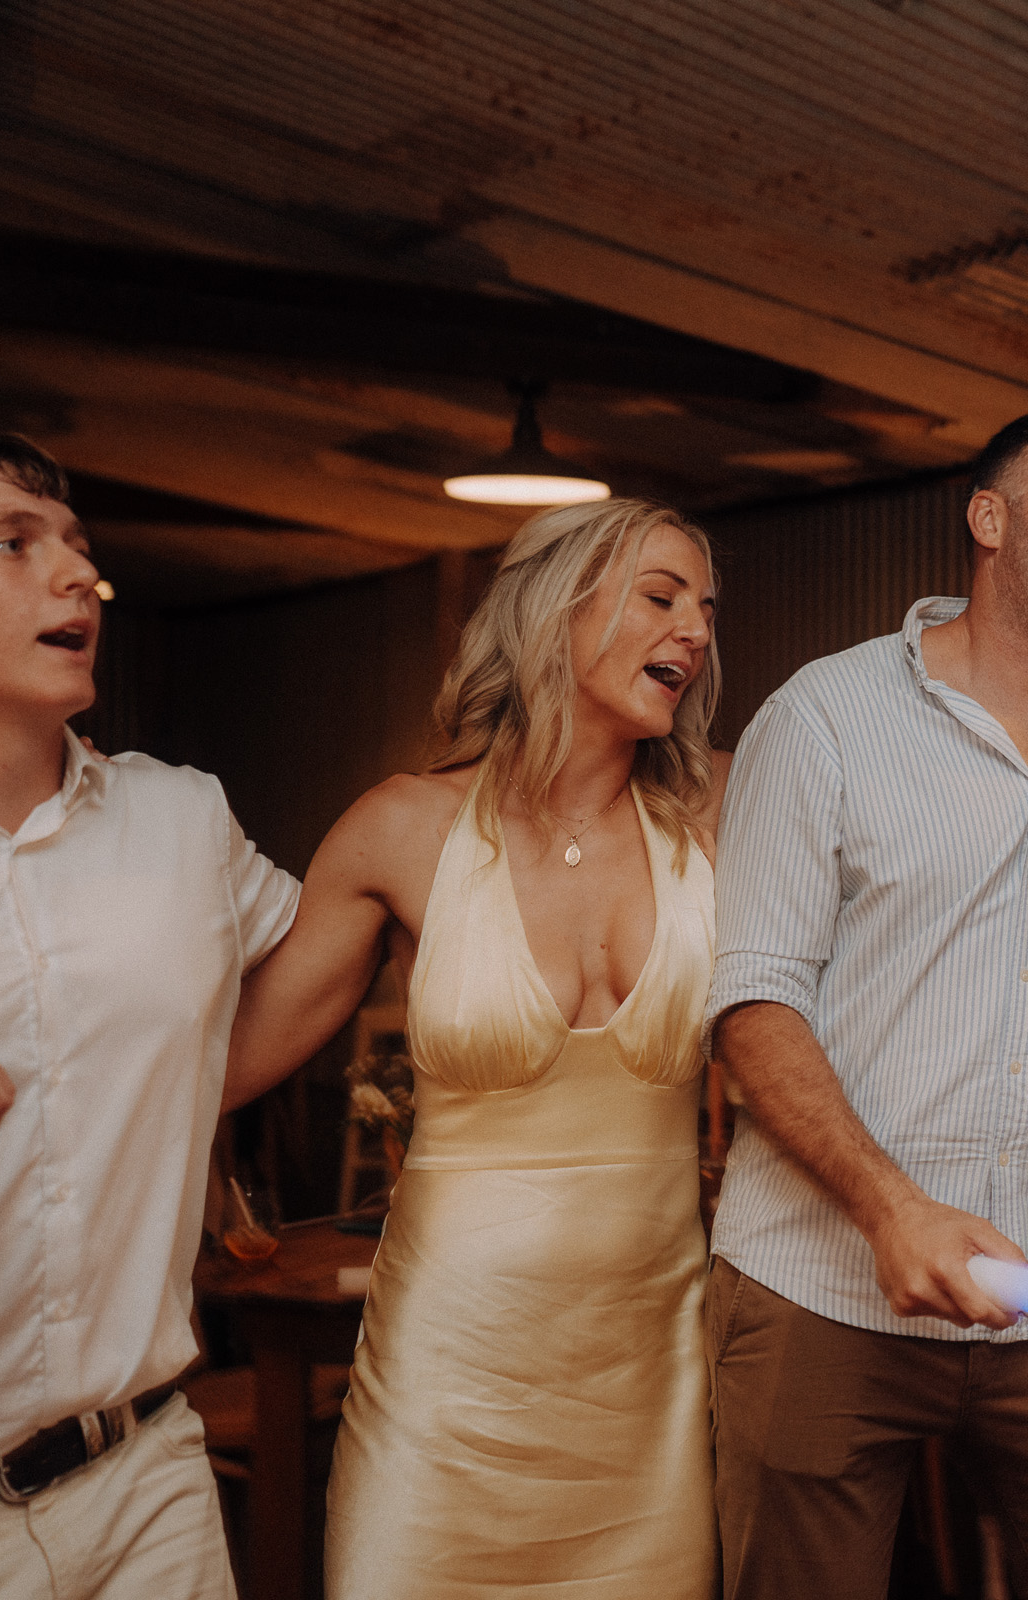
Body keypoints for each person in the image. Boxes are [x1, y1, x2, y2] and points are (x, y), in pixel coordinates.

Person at [703, 407, 1028, 1600]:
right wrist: (893, 1211)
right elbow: (752, 1003)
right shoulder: (824, 718)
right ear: (989, 520)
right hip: (822, 1281)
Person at [224, 497, 725, 1599]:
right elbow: (223, 1065)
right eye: (659, 595)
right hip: (448, 1383)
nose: (693, 628)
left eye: (704, 607)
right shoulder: (402, 827)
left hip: (649, 1380)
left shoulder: (722, 818)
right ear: (553, 612)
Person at [0, 433, 299, 1600]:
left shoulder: (182, 820)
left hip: (145, 1471)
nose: (76, 576)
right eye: (15, 544)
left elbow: (323, 955)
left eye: (78, 548)